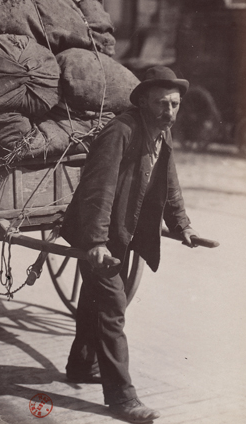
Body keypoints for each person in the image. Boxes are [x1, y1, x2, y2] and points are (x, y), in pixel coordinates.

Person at [61, 65, 199, 424]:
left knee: (98, 298)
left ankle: (81, 365)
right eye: (160, 104)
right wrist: (94, 242)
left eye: (174, 104)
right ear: (142, 102)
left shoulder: (161, 135)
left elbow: (169, 185)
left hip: (122, 232)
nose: (168, 112)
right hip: (100, 233)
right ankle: (122, 397)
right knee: (112, 305)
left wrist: (183, 227)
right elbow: (98, 189)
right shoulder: (120, 131)